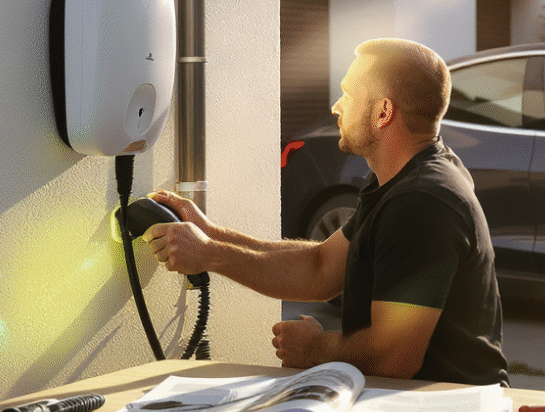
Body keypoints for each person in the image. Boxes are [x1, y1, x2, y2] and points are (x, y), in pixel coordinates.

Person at [143, 38, 508, 386]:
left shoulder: (422, 202)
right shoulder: (402, 180)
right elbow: (320, 268)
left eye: (348, 95)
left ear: (383, 112)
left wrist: (315, 348)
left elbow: (393, 359)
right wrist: (212, 239)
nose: (336, 106)